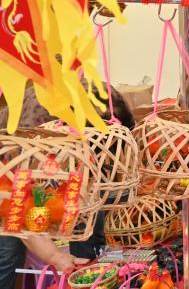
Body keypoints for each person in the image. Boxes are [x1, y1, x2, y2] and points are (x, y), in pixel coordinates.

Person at [0, 83, 134, 288]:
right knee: (9, 251)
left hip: (51, 161)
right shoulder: (33, 133)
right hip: (9, 166)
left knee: (86, 210)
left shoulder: (102, 98)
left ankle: (90, 274)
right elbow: (18, 210)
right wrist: (55, 256)